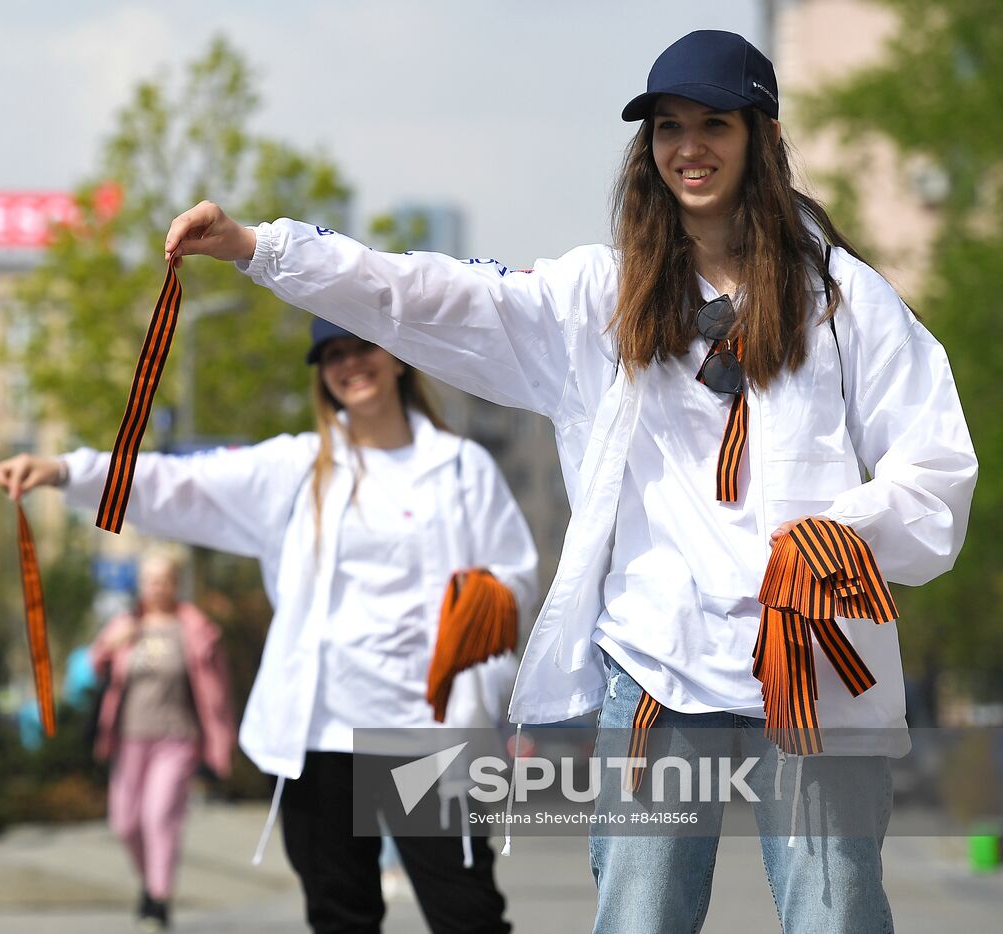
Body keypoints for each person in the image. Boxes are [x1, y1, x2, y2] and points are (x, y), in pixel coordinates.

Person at [160, 28, 977, 934]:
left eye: (714, 123)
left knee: (838, 916)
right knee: (639, 916)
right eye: (668, 127)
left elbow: (936, 463)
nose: (689, 147)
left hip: (811, 664)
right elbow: (426, 293)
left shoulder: (843, 301)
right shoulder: (600, 299)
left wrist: (845, 535)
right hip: (661, 665)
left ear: (761, 137)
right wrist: (261, 249)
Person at [0, 319, 539, 933]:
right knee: (340, 918)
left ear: (398, 358)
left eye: (363, 347)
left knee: (468, 917)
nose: (349, 364)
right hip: (320, 734)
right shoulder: (297, 468)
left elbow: (514, 578)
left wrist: (480, 654)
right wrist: (69, 472)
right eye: (332, 354)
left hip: (422, 735)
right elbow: (180, 482)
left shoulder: (461, 468)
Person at [84, 550, 235, 932]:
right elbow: (89, 667)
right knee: (125, 823)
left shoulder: (194, 627)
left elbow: (218, 692)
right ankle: (151, 886)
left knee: (159, 816)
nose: (155, 588)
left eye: (162, 580)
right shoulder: (124, 624)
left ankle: (159, 901)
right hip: (129, 740)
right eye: (148, 580)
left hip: (177, 738)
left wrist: (221, 742)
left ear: (174, 584)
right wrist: (111, 645)